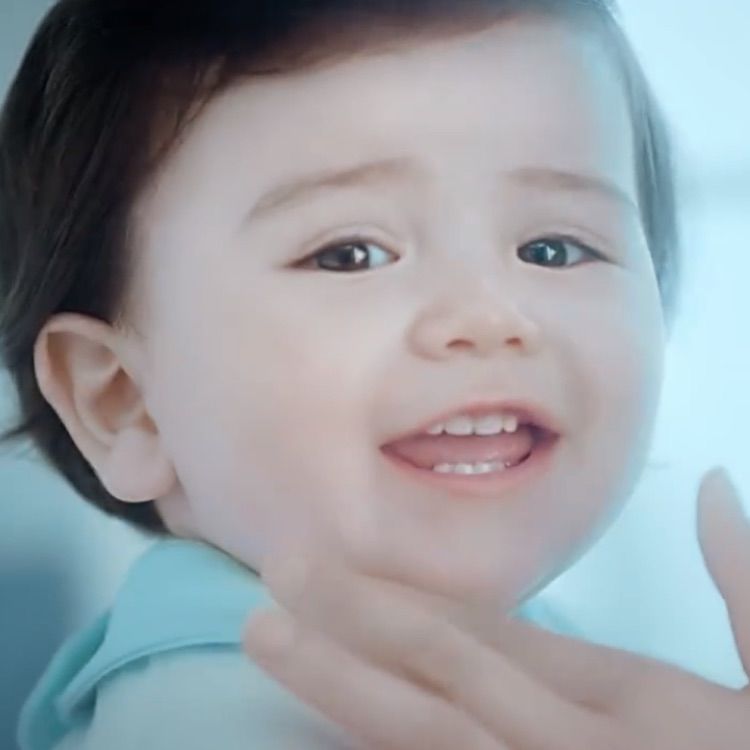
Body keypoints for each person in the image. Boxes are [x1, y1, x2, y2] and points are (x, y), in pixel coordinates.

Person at [0, 0, 729, 747]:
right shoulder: (212, 716)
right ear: (123, 402)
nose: (488, 315)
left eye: (553, 249)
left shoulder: (563, 669)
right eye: (350, 254)